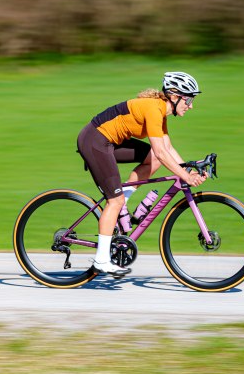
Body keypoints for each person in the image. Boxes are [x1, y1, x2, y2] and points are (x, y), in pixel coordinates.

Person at [76, 72, 206, 276]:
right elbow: (163, 153)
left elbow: (166, 146)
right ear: (174, 96)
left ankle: (123, 203)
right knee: (114, 201)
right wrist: (185, 176)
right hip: (95, 141)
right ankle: (101, 260)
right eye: (188, 99)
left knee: (151, 158)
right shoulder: (154, 109)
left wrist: (188, 168)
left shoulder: (160, 111)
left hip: (110, 142)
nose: (191, 105)